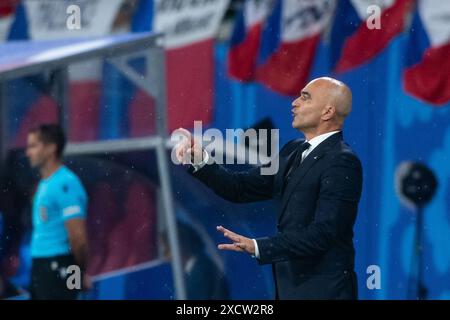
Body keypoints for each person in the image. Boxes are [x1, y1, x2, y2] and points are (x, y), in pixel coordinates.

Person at [175, 77, 363, 299]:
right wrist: (201, 160)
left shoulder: (342, 161)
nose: (294, 103)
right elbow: (240, 188)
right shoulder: (292, 151)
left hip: (324, 292)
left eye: (305, 97)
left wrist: (258, 246)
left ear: (327, 112)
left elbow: (324, 234)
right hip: (289, 291)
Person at [26, 124, 90, 300]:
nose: (28, 152)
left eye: (33, 146)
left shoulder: (66, 183)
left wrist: (79, 274)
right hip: (41, 267)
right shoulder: (44, 184)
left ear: (51, 148)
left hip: (59, 266)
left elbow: (78, 238)